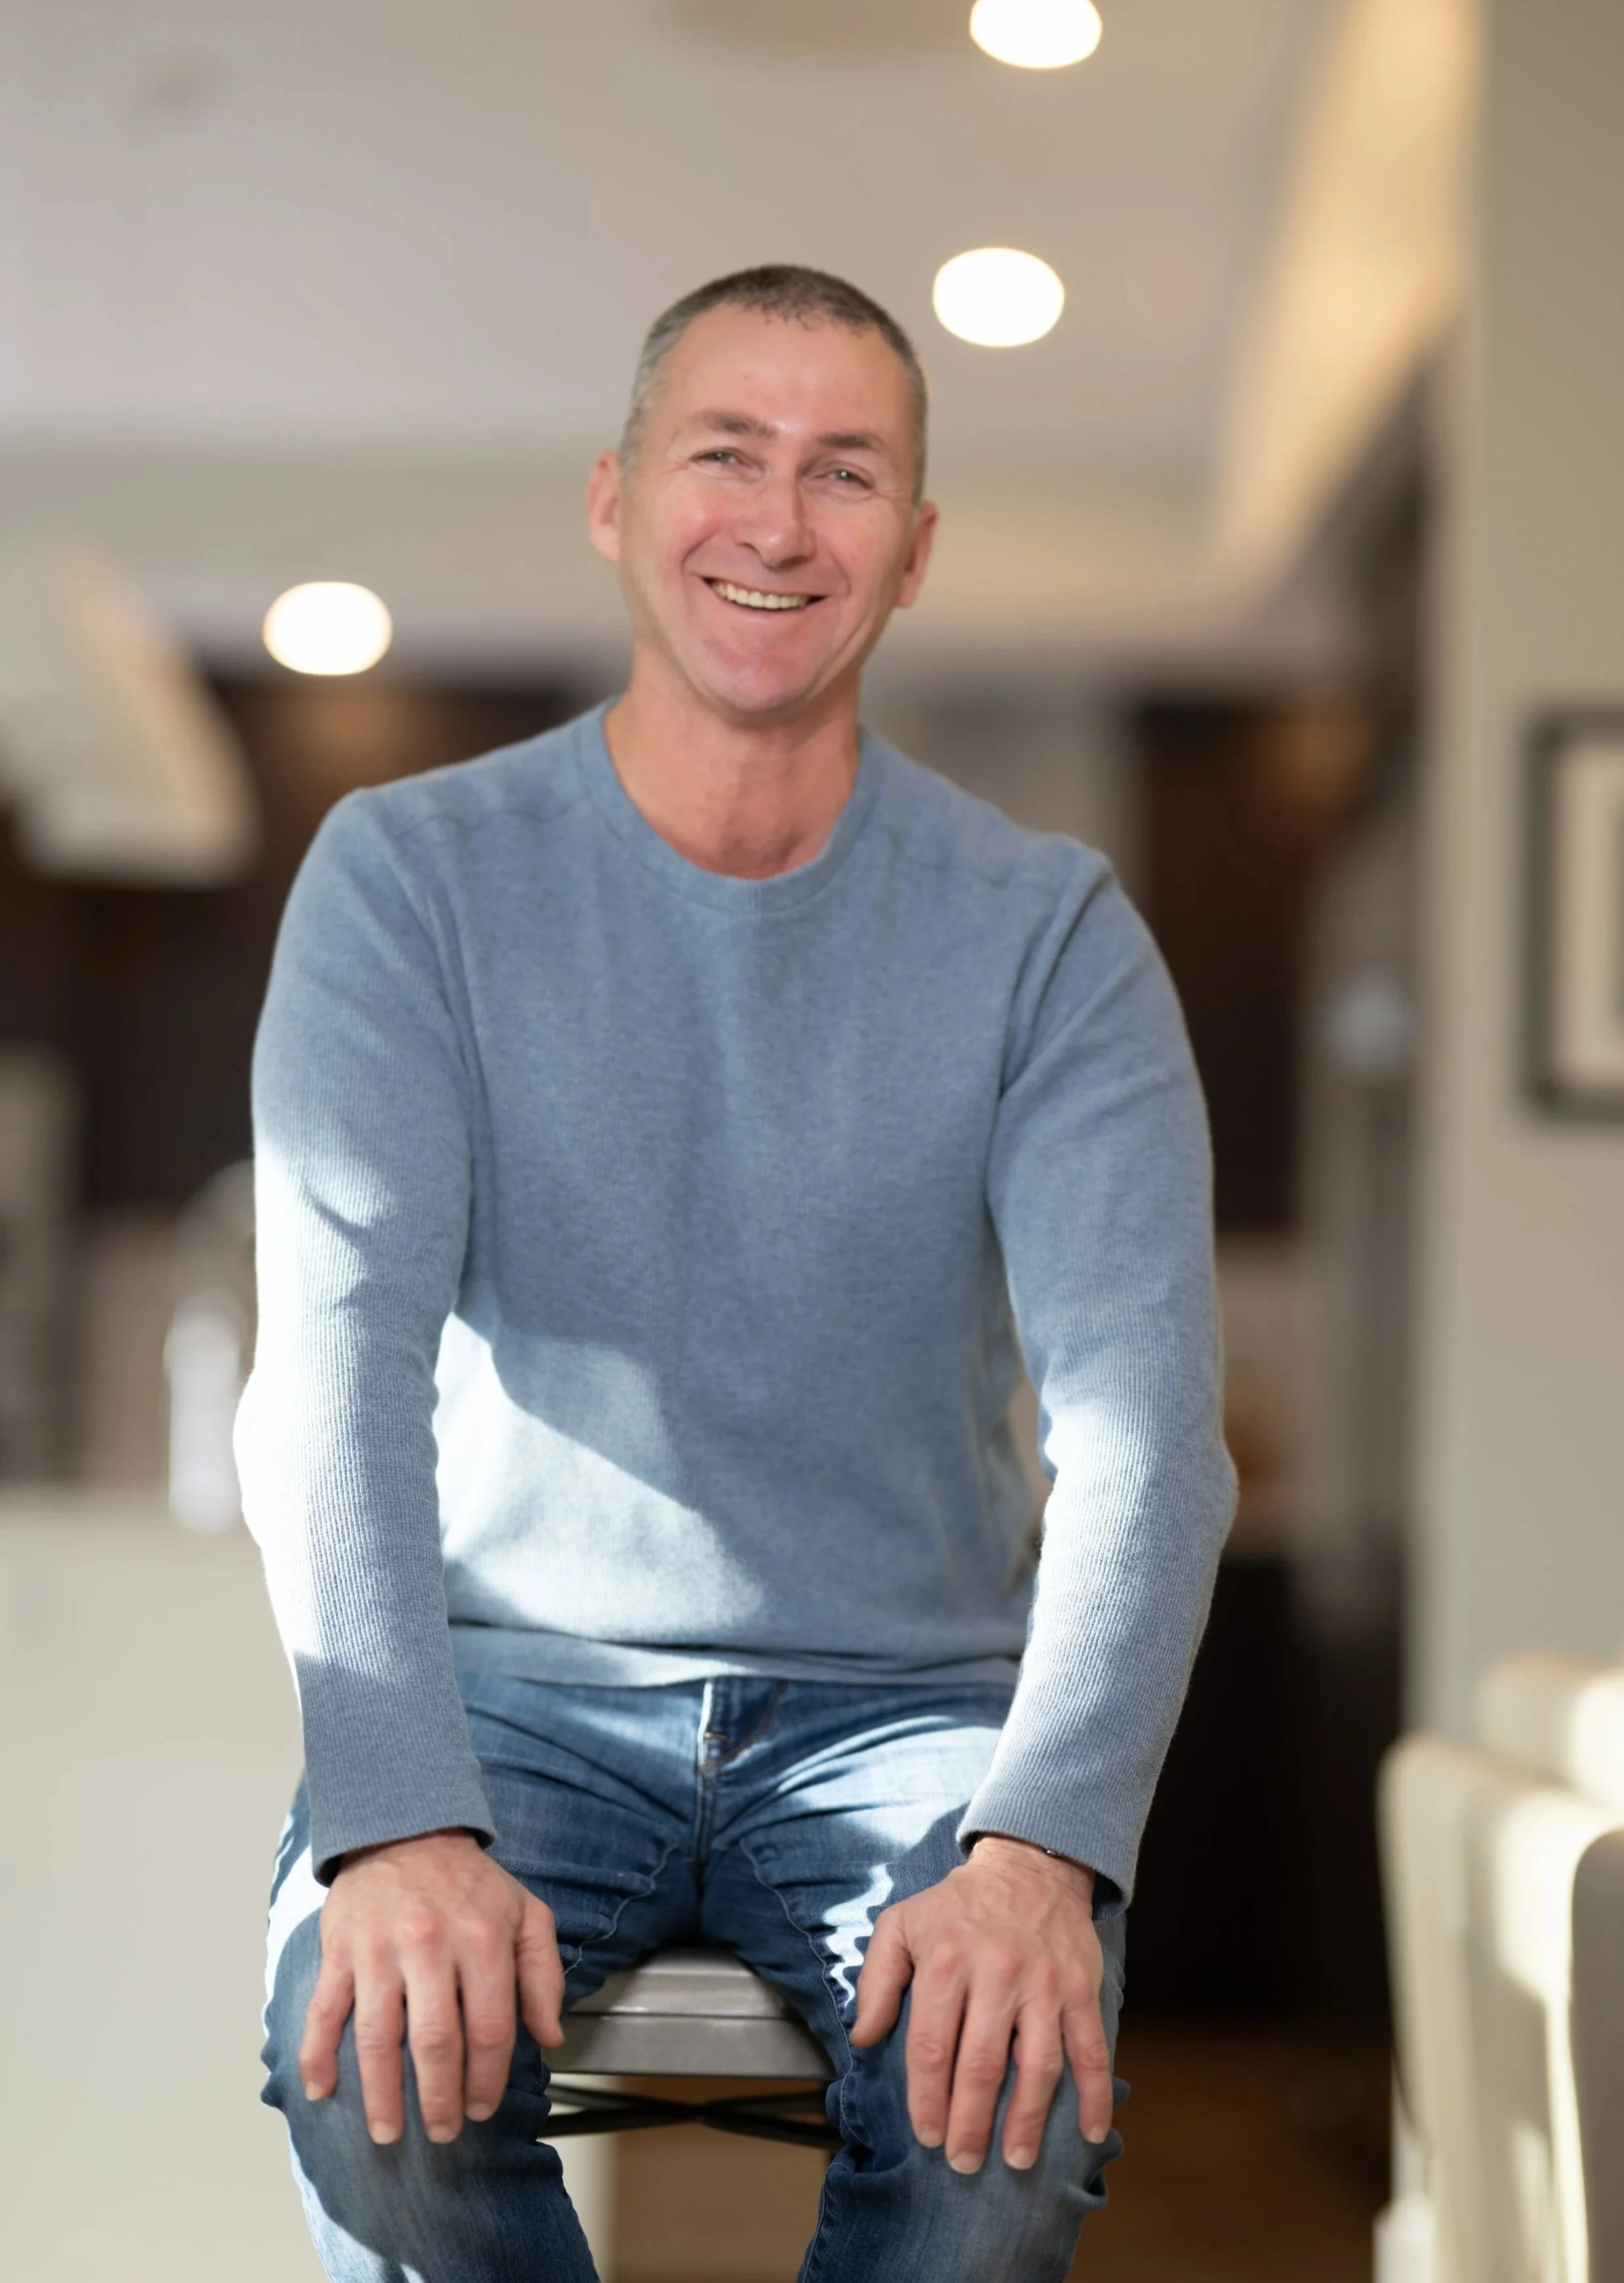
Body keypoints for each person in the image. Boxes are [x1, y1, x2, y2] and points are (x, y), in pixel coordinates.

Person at [244, 263, 1235, 2283]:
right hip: (515, 1690)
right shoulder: (409, 877)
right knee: (370, 2070)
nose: (778, 523)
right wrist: (400, 1820)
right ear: (616, 500)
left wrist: (1041, 1853)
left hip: (917, 1717)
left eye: (844, 471)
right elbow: (331, 1379)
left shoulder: (1048, 933)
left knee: (1006, 2114)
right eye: (727, 455)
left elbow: (1148, 1442)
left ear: (916, 547)